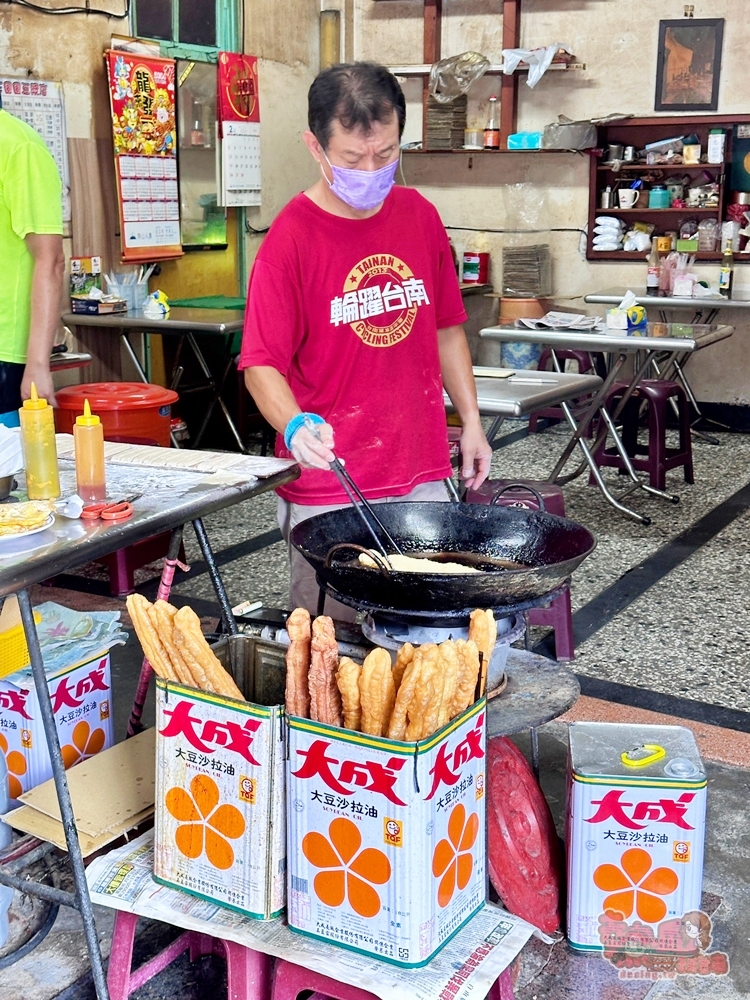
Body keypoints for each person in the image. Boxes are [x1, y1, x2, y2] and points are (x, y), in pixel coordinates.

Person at [238, 62, 491, 616]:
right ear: (315, 146)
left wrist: (470, 421)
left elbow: (447, 328)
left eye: (387, 154)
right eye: (353, 159)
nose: (372, 170)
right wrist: (294, 424)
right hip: (332, 480)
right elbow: (261, 363)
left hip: (420, 469)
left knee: (422, 632)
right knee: (334, 644)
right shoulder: (290, 239)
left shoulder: (419, 217)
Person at [0, 104, 65, 425]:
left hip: (5, 351)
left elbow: (50, 259)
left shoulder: (19, 146)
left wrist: (37, 362)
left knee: (7, 467)